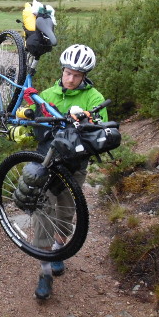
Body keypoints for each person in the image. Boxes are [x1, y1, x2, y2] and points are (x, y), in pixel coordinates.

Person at [8, 43, 108, 300]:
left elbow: (101, 129)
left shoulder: (94, 98)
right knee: (43, 212)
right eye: (67, 72)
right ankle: (45, 272)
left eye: (76, 75)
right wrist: (27, 112)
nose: (70, 78)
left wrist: (86, 120)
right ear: (62, 70)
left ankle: (58, 247)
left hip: (74, 166)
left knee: (65, 213)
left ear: (84, 76)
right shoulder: (48, 94)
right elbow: (33, 126)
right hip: (46, 161)